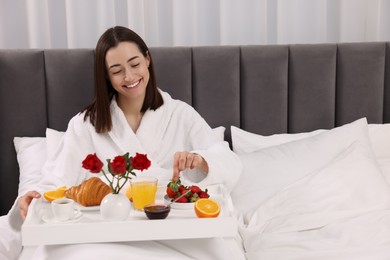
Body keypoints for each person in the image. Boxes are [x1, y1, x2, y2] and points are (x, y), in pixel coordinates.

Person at [12, 26, 243, 259]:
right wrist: (34, 197)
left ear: (147, 59)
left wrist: (201, 160)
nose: (129, 77)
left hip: (174, 228)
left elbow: (229, 162)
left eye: (135, 64)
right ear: (106, 76)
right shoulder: (85, 124)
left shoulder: (181, 114)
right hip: (104, 233)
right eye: (117, 71)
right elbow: (57, 181)